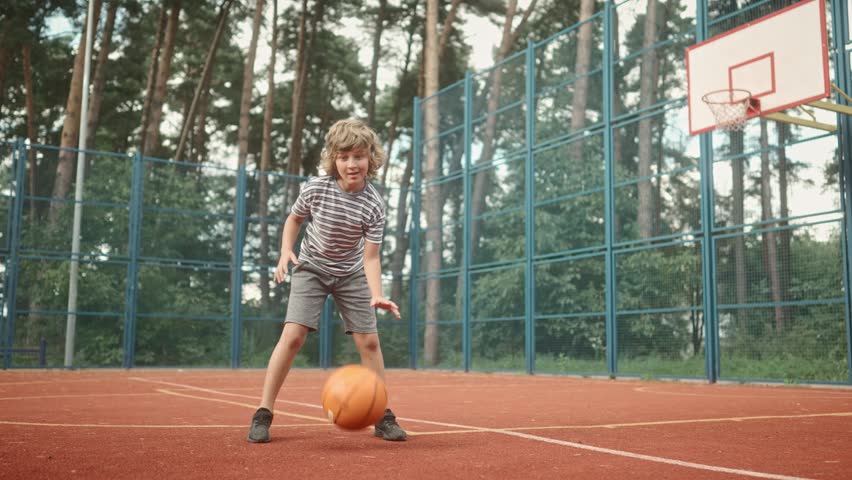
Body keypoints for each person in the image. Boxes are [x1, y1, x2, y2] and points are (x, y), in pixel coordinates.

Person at [247, 118, 407, 443]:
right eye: (344, 156)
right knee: (293, 336)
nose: (352, 164)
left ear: (370, 159)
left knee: (370, 342)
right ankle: (263, 412)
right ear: (333, 158)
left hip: (351, 274)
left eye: (359, 156)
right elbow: (294, 219)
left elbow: (371, 257)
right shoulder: (317, 188)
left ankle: (382, 415)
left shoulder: (374, 204)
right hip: (312, 268)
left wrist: (376, 293)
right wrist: (284, 252)